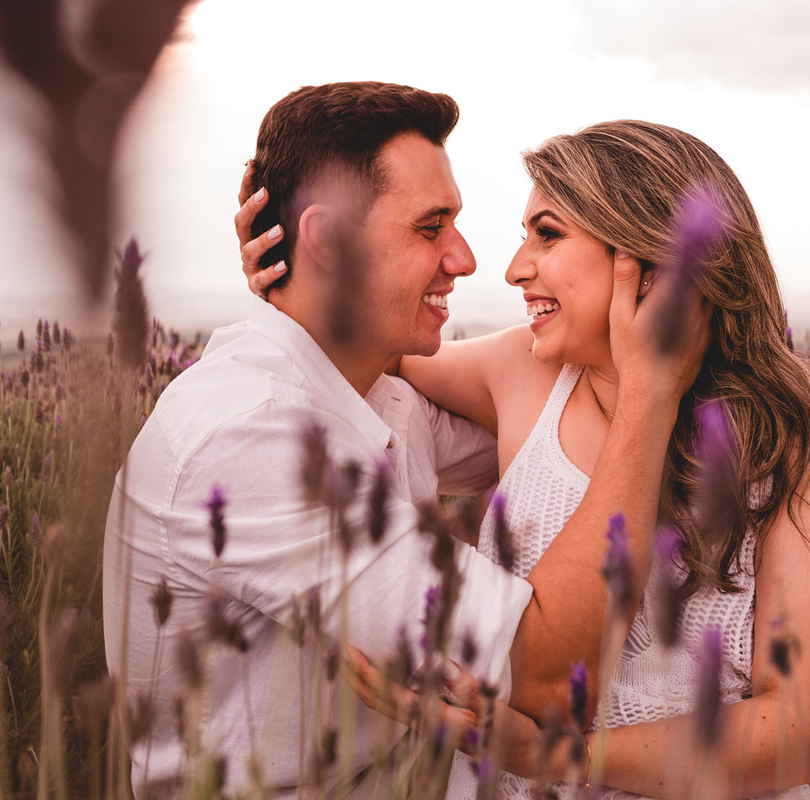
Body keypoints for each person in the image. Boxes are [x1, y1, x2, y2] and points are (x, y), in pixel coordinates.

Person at [240, 120, 810, 798]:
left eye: (547, 233)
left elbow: (806, 732)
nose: (514, 267)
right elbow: (376, 339)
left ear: (653, 253)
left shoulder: (804, 436)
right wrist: (301, 276)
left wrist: (556, 756)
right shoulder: (523, 370)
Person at [103, 84, 703, 798]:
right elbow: (541, 677)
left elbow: (550, 433)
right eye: (431, 227)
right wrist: (648, 396)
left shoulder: (368, 392)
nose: (468, 258)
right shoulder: (258, 435)